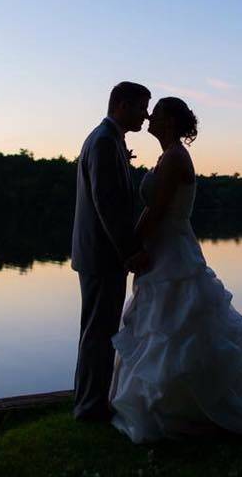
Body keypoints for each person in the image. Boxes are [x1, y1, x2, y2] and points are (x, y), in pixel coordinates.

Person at [107, 96, 242, 442]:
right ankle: (165, 403)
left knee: (176, 326)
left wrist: (129, 249)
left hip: (173, 252)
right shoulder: (168, 156)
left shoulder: (176, 157)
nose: (149, 115)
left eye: (158, 112)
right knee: (161, 327)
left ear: (171, 123)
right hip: (165, 248)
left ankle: (185, 408)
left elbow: (158, 210)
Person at [70, 81, 152, 422]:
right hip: (102, 256)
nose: (146, 115)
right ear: (121, 104)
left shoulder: (109, 139)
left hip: (97, 255)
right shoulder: (103, 142)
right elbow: (107, 205)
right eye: (141, 107)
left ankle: (90, 402)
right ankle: (89, 407)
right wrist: (128, 252)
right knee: (98, 333)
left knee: (98, 331)